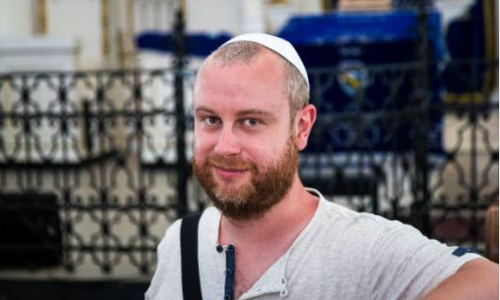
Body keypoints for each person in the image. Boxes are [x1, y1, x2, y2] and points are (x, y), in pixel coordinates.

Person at [146, 33, 498, 300]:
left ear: (301, 127)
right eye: (209, 120)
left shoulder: (362, 248)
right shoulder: (179, 242)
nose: (225, 146)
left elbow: (489, 282)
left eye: (250, 121)